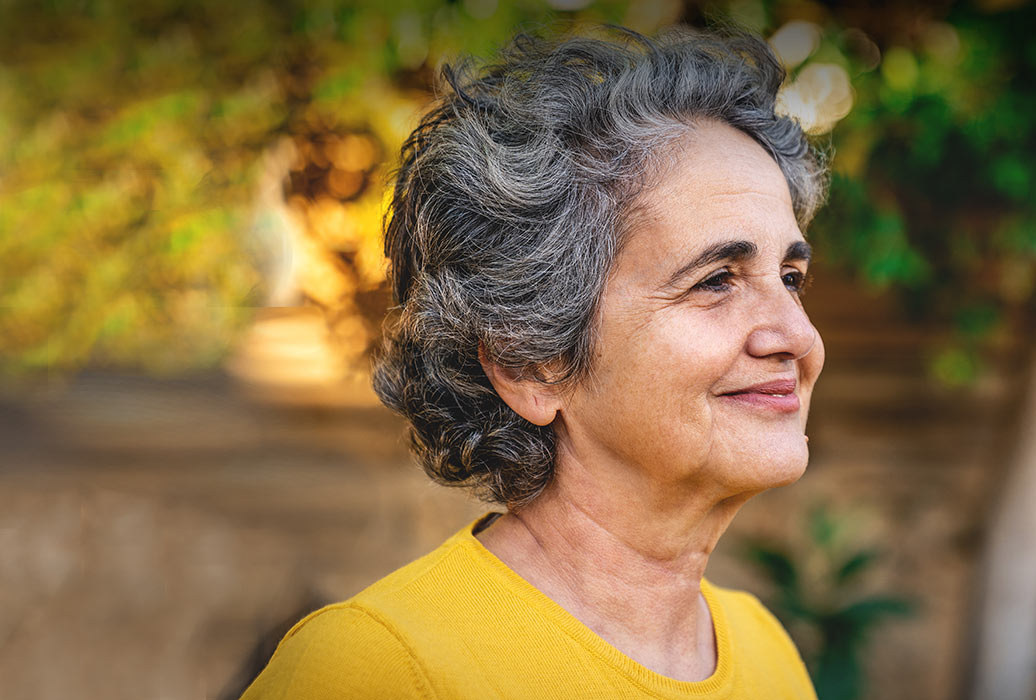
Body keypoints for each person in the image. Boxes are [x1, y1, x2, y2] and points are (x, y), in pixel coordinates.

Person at [241, 25, 826, 700]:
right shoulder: (374, 669)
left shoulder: (766, 652)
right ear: (532, 364)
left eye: (790, 277)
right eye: (716, 279)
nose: (796, 335)